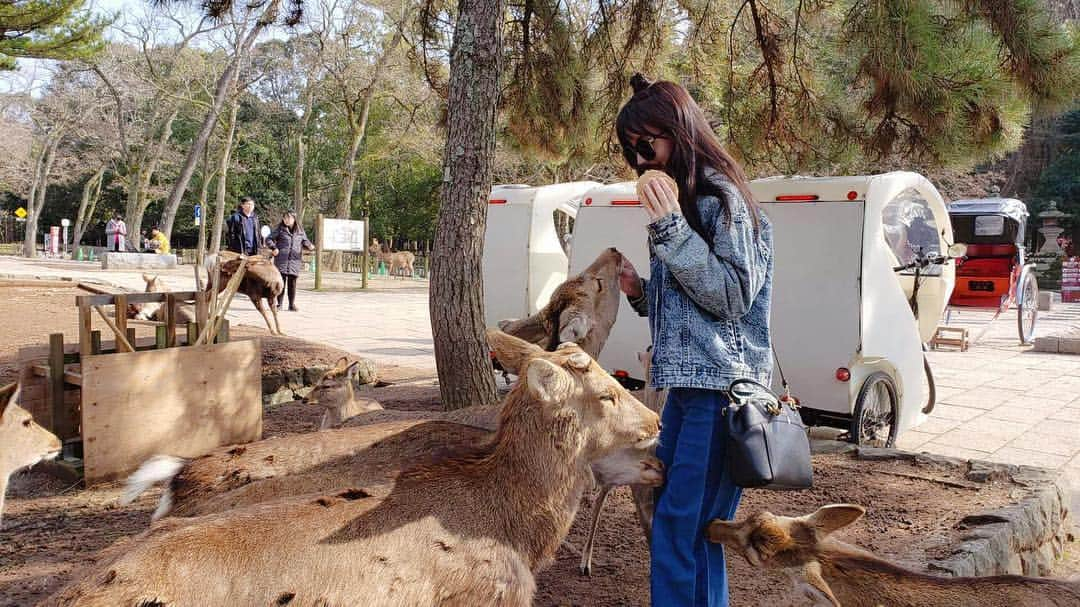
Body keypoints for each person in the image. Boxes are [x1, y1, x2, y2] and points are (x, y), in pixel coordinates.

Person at [615, 74, 774, 607]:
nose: (639, 162)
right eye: (629, 152)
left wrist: (670, 231)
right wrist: (641, 294)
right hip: (686, 389)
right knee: (687, 527)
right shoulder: (683, 202)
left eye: (645, 145)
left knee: (681, 531)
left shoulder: (718, 198)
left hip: (719, 393)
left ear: (679, 131)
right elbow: (690, 305)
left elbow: (733, 297)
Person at [268, 210, 314, 311]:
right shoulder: (279, 229)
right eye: (285, 218)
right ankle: (279, 304)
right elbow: (269, 239)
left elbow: (305, 240)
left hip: (294, 261)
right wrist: (274, 248)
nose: (286, 220)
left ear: (294, 219)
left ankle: (291, 304)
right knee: (281, 284)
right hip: (282, 261)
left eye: (289, 218)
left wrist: (309, 245)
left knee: (292, 284)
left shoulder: (300, 231)